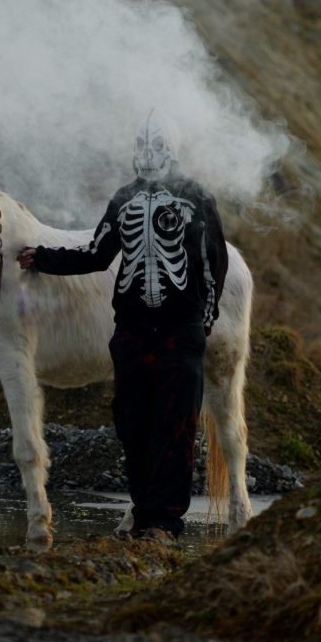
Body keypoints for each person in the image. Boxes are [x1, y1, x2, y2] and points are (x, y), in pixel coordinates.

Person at [17, 110, 228, 543]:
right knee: (133, 425)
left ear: (172, 151)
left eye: (157, 148)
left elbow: (214, 264)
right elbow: (96, 253)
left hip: (178, 331)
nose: (147, 156)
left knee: (176, 426)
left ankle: (165, 523)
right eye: (141, 148)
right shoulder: (123, 199)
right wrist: (42, 257)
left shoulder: (197, 198)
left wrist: (201, 322)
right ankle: (143, 512)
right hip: (132, 332)